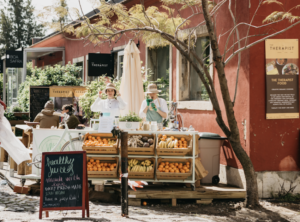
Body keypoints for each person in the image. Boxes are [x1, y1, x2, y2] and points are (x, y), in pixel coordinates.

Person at [0, 98, 30, 165]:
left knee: (11, 145)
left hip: (1, 128)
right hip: (2, 127)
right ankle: (23, 156)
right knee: (11, 144)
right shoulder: (1, 104)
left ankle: (23, 156)